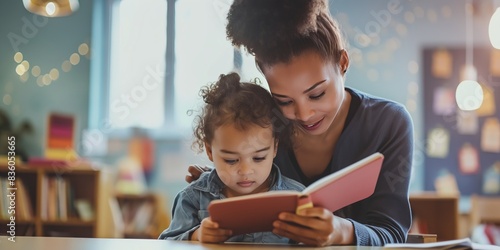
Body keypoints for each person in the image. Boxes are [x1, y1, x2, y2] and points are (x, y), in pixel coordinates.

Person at [186, 0, 414, 246]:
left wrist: (342, 231)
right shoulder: (266, 127)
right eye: (284, 101)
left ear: (343, 62)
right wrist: (226, 181)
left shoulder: (388, 124)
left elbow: (391, 233)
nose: (304, 115)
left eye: (316, 94)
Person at [159, 72, 305, 243]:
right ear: (210, 150)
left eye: (258, 158)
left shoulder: (297, 198)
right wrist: (196, 236)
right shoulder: (194, 199)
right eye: (231, 160)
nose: (245, 171)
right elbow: (167, 243)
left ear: (275, 148)